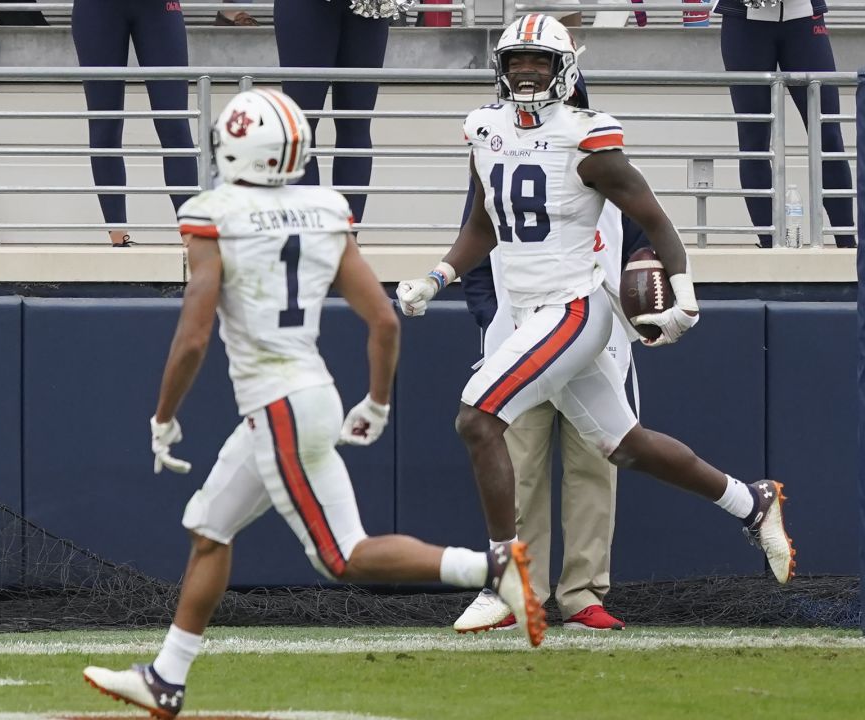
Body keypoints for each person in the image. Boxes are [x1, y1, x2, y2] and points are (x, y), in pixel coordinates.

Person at [81, 89, 545, 719]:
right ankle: (167, 677)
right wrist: (378, 402)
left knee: (343, 556)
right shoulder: (323, 210)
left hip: (277, 407)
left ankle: (490, 567)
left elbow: (192, 337)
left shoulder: (214, 213)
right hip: (309, 396)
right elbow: (383, 321)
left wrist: (164, 413)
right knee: (210, 530)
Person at [396, 15, 797, 600]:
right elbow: (484, 221)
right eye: (516, 62)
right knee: (627, 445)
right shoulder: (484, 128)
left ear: (566, 68)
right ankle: (751, 502)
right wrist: (439, 276)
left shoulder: (586, 134)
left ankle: (502, 578)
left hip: (573, 309)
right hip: (525, 310)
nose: (526, 72)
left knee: (477, 418)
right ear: (500, 69)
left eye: (539, 61)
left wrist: (683, 287)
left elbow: (653, 215)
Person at [453, 75, 647, 634]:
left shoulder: (602, 158)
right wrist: (489, 314)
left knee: (596, 467)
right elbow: (476, 233)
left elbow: (640, 241)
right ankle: (521, 592)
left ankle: (583, 592)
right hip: (520, 331)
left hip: (590, 330)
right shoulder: (499, 152)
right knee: (518, 466)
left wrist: (646, 287)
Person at [714, 0, 856, 248]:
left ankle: (847, 244)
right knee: (754, 136)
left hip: (804, 19)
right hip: (744, 21)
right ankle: (770, 244)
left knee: (828, 133)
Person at [71, 0, 199, 246]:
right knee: (105, 124)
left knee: (174, 123)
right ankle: (118, 237)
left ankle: (192, 236)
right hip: (98, 9)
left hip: (157, 8)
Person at [273, 0, 394, 223]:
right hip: (307, 7)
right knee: (301, 127)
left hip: (371, 5)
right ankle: (307, 239)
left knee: (355, 123)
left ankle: (347, 241)